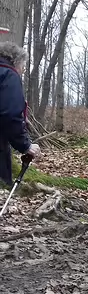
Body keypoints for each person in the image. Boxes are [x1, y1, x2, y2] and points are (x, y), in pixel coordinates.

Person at [0, 42, 40, 187]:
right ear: (16, 61)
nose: (23, 71)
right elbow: (10, 114)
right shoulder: (8, 74)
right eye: (23, 66)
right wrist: (25, 146)